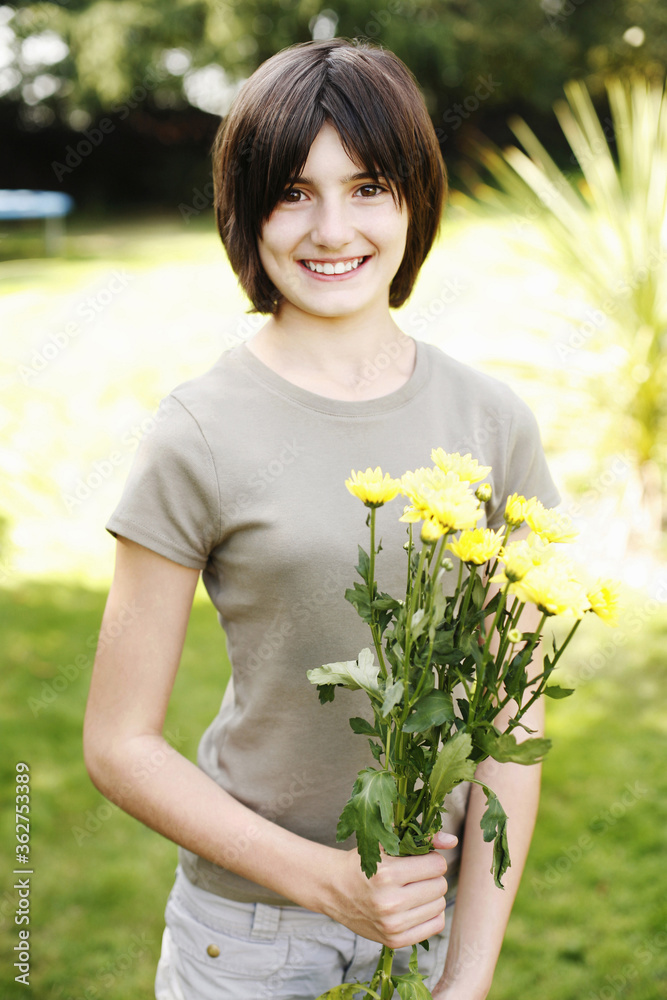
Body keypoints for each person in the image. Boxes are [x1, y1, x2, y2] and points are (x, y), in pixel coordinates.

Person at [83, 37, 561, 1000]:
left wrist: (466, 978)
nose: (331, 228)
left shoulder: (492, 422)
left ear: (415, 199)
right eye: (293, 192)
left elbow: (514, 715)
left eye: (369, 186)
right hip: (250, 941)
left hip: (429, 927)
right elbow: (118, 742)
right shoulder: (196, 432)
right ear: (244, 208)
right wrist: (332, 886)